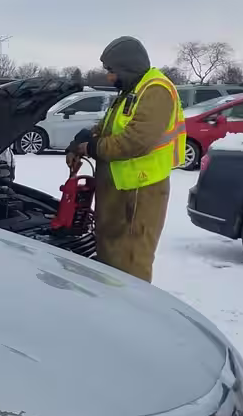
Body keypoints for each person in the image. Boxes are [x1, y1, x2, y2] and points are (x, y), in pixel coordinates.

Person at [66, 36, 185, 283]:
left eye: (112, 71)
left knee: (130, 265)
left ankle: (132, 317)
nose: (109, 77)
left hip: (140, 193)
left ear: (129, 67)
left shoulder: (156, 90)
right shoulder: (131, 90)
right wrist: (83, 139)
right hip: (120, 191)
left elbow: (135, 141)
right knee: (111, 259)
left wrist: (92, 147)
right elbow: (110, 127)